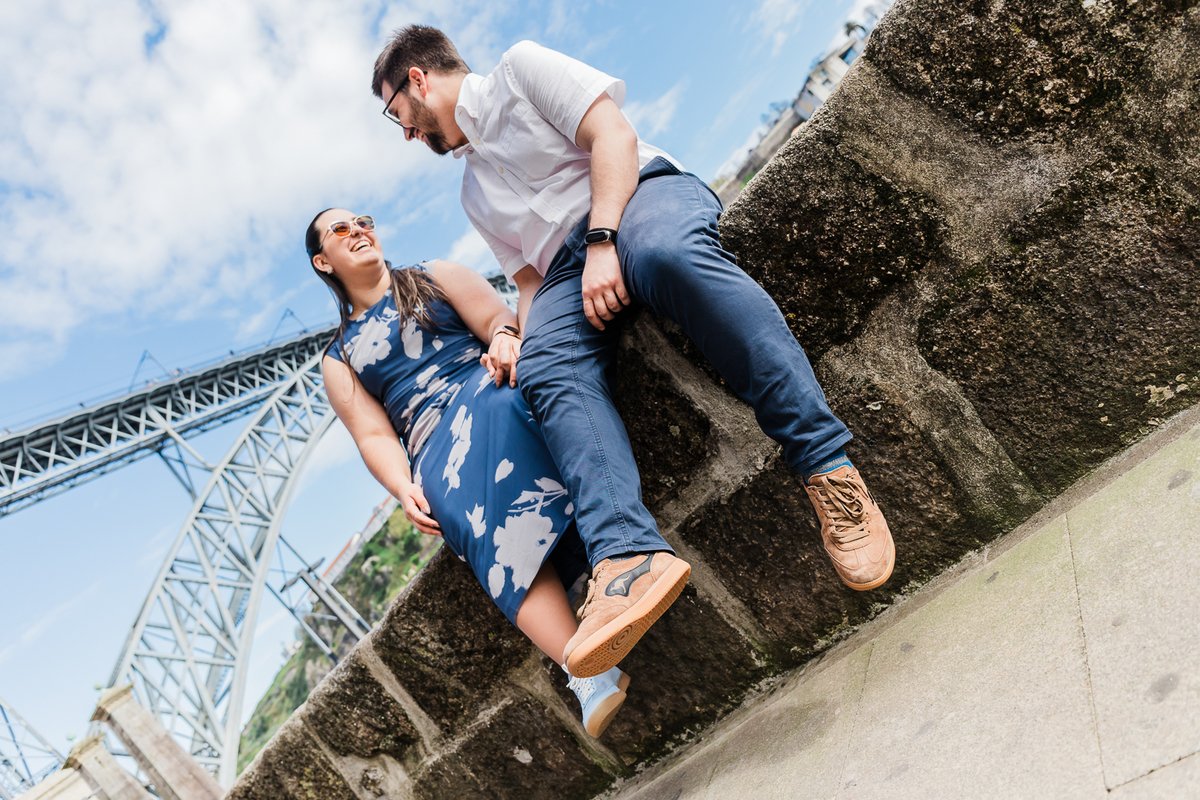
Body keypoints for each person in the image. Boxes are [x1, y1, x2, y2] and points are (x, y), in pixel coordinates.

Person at [370, 27, 894, 679]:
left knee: (670, 258)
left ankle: (827, 467)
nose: (407, 135)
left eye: (398, 116)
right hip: (563, 272)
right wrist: (520, 342)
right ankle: (626, 555)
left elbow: (612, 137)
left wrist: (601, 239)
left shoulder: (519, 70)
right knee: (545, 370)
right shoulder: (472, 194)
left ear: (418, 79)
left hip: (639, 194)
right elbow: (530, 284)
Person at [309, 208, 630, 738]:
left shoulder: (435, 275)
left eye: (363, 220)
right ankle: (587, 670)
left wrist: (505, 335)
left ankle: (615, 580)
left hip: (481, 383)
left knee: (506, 410)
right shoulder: (339, 357)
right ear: (324, 262)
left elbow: (497, 320)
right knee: (454, 506)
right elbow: (373, 436)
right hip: (429, 444)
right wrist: (403, 486)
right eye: (341, 230)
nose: (359, 231)